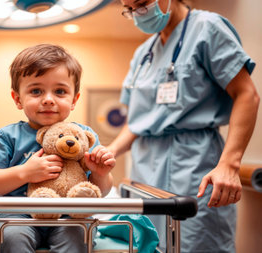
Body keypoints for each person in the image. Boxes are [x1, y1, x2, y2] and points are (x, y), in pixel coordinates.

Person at [107, 0, 259, 252]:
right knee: (149, 244)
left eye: (142, 4)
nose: (138, 14)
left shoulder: (207, 28)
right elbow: (136, 123)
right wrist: (108, 152)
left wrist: (229, 164)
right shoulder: (143, 53)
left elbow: (246, 94)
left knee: (196, 244)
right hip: (146, 170)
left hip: (194, 165)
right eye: (130, 9)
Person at [0, 43, 115, 253]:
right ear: (18, 99)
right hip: (17, 213)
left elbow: (101, 191)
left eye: (60, 91)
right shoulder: (7, 136)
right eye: (36, 91)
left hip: (70, 213)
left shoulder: (84, 137)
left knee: (78, 235)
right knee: (13, 236)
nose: (48, 99)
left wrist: (100, 174)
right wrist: (25, 173)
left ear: (74, 100)